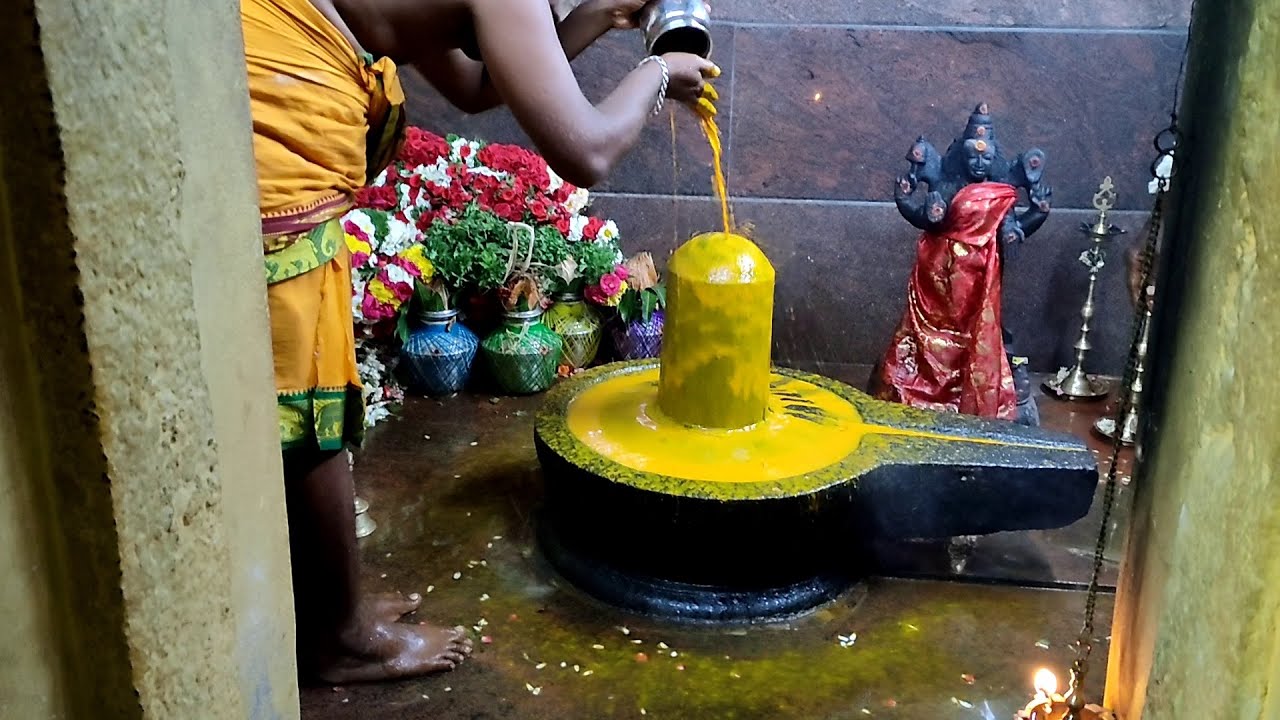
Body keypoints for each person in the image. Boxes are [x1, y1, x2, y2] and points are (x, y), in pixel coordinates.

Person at [242, 0, 717, 684]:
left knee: (307, 377)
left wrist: (593, 17)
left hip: (287, 57)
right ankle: (337, 635)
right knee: (304, 396)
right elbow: (585, 149)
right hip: (288, 98)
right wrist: (657, 70)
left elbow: (473, 83)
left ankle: (325, 597)